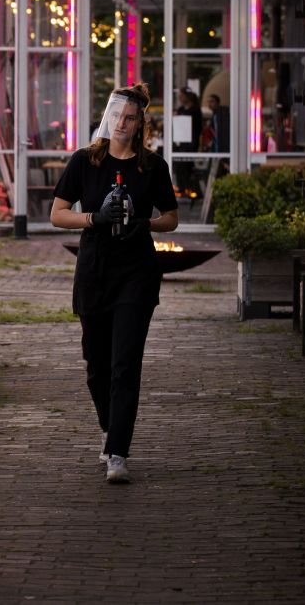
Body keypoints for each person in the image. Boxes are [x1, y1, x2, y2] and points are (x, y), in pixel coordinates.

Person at [49, 83, 178, 483]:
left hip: (136, 272)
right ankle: (110, 428)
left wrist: (145, 223)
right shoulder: (85, 161)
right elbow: (57, 214)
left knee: (125, 364)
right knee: (96, 364)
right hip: (95, 270)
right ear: (109, 116)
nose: (122, 124)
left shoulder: (152, 166)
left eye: (130, 118)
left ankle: (118, 452)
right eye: (118, 116)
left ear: (140, 124)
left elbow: (171, 217)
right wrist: (94, 219)